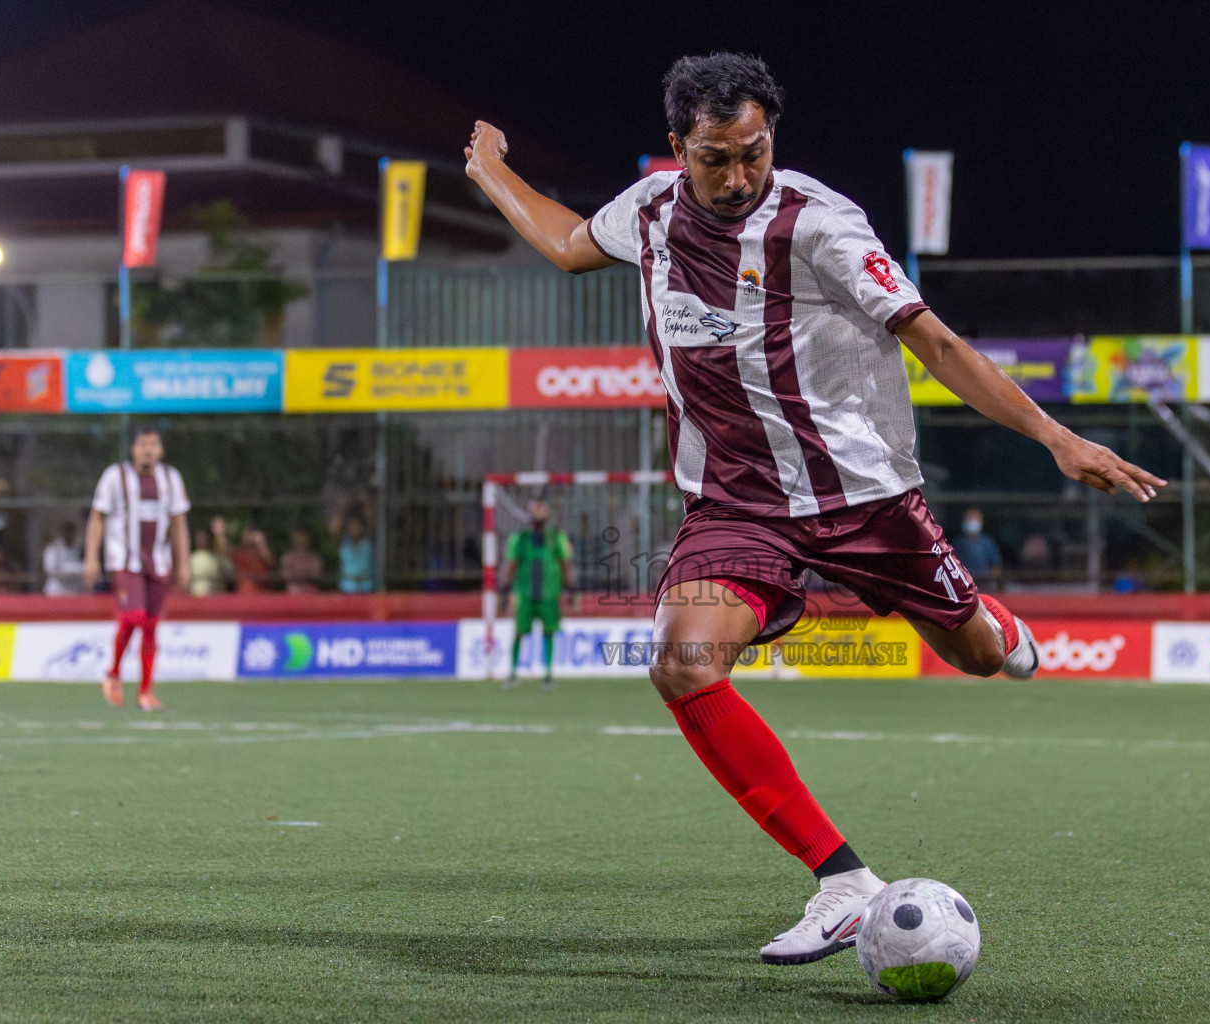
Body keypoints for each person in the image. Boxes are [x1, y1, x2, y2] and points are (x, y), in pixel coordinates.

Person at [463, 52, 1164, 966]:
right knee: (680, 660)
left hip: (863, 496)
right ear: (677, 149)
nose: (738, 176)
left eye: (753, 152)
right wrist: (488, 169)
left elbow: (939, 347)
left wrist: (1055, 437)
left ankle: (985, 619)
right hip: (734, 504)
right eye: (715, 157)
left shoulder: (822, 226)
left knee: (980, 658)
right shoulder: (649, 213)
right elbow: (564, 245)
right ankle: (842, 882)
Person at [83, 426, 191, 711]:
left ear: (161, 450)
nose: (147, 450)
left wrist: (184, 563)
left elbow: (179, 523)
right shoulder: (114, 476)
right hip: (124, 560)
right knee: (134, 616)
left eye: (153, 444)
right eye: (142, 444)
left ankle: (145, 692)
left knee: (152, 626)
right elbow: (97, 517)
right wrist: (91, 557)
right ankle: (114, 673)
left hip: (158, 561)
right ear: (132, 449)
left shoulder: (171, 478)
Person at [498, 497, 576, 687]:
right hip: (524, 594)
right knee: (519, 632)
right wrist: (504, 590)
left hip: (550, 594)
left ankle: (548, 673)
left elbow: (565, 564)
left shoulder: (557, 537)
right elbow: (511, 565)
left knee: (549, 632)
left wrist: (571, 588)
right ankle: (513, 672)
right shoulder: (520, 538)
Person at [951, 508, 1002, 589]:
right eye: (969, 519)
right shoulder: (958, 543)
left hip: (986, 584)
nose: (972, 522)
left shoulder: (987, 542)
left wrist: (991, 578)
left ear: (981, 521)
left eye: (974, 519)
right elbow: (951, 566)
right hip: (964, 585)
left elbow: (996, 566)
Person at [334, 510, 374, 593]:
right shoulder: (344, 543)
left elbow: (372, 523)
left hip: (366, 588)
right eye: (352, 525)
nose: (355, 528)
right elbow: (334, 530)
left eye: (357, 525)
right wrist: (342, 509)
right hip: (347, 587)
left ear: (363, 527)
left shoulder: (369, 543)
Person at [42, 522, 84, 596]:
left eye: (71, 532)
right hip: (56, 590)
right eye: (66, 531)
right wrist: (74, 569)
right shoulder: (53, 548)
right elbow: (50, 569)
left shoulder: (77, 549)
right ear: (62, 532)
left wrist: (63, 568)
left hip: (73, 591)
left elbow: (84, 569)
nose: (68, 534)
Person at [188, 523, 229, 597]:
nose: (202, 540)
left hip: (217, 598)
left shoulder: (220, 558)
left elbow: (230, 576)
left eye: (205, 537)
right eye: (200, 538)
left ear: (211, 539)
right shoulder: (191, 558)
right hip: (196, 599)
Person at [280, 526, 323, 594]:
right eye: (299, 536)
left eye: (304, 537)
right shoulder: (288, 557)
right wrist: (303, 575)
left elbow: (315, 575)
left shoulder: (314, 557)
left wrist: (299, 575)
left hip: (311, 591)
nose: (301, 539)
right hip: (292, 591)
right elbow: (286, 576)